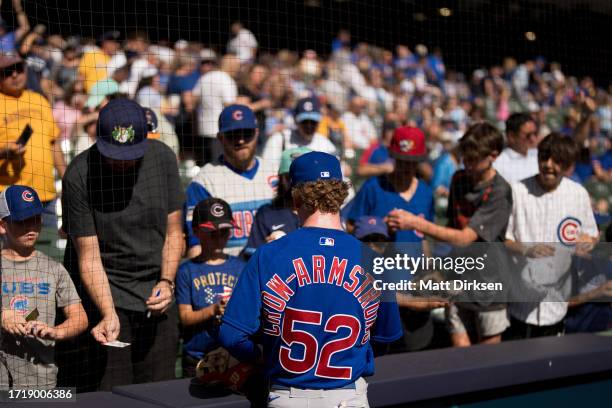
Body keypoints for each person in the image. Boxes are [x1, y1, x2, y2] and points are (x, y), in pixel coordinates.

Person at [219, 151, 403, 407]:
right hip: (348, 397)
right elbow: (384, 339)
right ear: (341, 195)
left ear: (295, 198)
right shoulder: (374, 260)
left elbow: (230, 335)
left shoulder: (269, 255)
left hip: (287, 396)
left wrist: (264, 355)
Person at [60, 98, 184, 391]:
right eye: (114, 154)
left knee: (161, 391)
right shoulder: (79, 174)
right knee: (110, 393)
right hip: (106, 290)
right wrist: (107, 312)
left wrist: (167, 281)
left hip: (156, 291)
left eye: (130, 154)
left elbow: (175, 231)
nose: (122, 161)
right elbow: (88, 257)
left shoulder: (163, 159)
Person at [385, 122, 512, 347]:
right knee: (459, 356)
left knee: (490, 361)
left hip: (489, 286)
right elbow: (452, 227)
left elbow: (464, 236)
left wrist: (415, 222)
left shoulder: (500, 191)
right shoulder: (458, 179)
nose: (467, 164)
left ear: (493, 155)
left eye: (473, 159)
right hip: (459, 281)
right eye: (465, 158)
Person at [504, 133, 599, 339]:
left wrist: (588, 243)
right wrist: (526, 249)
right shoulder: (518, 191)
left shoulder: (578, 194)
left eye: (556, 160)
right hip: (520, 305)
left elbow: (591, 235)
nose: (548, 164)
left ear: (567, 165)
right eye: (544, 158)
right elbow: (503, 240)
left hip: (557, 305)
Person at [0, 185, 87, 389]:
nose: (31, 227)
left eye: (36, 218)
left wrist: (57, 332)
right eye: (22, 221)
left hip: (42, 381)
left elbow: (80, 318)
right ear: (3, 225)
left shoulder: (54, 268)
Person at [184, 104, 277, 258]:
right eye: (233, 135)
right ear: (220, 138)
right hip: (228, 275)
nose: (240, 141)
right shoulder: (204, 181)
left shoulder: (275, 173)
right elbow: (196, 246)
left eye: (246, 134)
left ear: (256, 133)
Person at [0, 54, 66, 255]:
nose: (15, 75)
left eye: (19, 68)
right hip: (10, 199)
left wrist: (67, 176)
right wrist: (5, 151)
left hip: (45, 196)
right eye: (7, 71)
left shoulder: (39, 100)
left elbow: (53, 143)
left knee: (50, 258)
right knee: (11, 260)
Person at [176, 197, 246, 378]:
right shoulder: (187, 271)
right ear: (196, 232)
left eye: (224, 233)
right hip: (197, 357)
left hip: (232, 356)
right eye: (212, 234)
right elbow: (185, 317)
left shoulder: (241, 267)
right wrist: (213, 309)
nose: (219, 239)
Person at [347, 127, 434, 256]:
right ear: (391, 155)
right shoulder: (373, 187)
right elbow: (350, 227)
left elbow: (423, 238)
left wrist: (428, 264)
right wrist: (379, 227)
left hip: (415, 269)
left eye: (411, 162)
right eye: (401, 161)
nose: (406, 167)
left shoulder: (425, 193)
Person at [241, 147, 309, 258]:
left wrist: (286, 245)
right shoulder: (267, 213)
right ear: (280, 178)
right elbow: (251, 258)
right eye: (289, 177)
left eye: (301, 177)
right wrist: (267, 249)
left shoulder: (325, 213)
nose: (295, 183)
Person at [186, 54, 238, 165]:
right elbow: (230, 108)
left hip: (202, 131)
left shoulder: (204, 78)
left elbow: (191, 102)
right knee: (218, 168)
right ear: (231, 66)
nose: (238, 70)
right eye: (237, 66)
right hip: (219, 133)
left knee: (204, 167)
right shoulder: (226, 80)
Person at [262, 97, 337, 168]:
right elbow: (268, 170)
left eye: (313, 122)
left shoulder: (325, 144)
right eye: (304, 121)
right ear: (295, 120)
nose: (309, 125)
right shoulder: (279, 139)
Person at [493, 112, 539, 184]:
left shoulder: (541, 156)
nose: (533, 139)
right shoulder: (498, 164)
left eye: (535, 133)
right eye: (528, 135)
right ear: (511, 136)